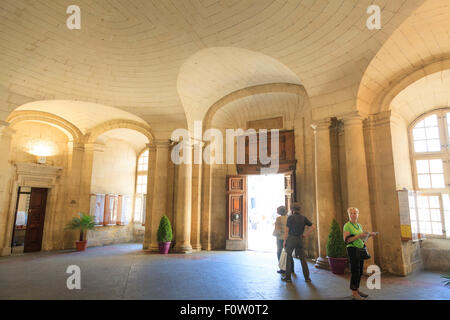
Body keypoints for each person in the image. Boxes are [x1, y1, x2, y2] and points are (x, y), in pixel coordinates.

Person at [343, 207, 378, 300]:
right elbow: (347, 240)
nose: (353, 215)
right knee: (355, 271)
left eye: (355, 213)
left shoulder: (359, 225)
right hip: (352, 249)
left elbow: (362, 238)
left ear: (358, 215)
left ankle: (357, 289)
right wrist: (358, 235)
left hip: (360, 249)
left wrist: (370, 235)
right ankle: (354, 293)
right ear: (349, 215)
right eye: (351, 213)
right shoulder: (347, 226)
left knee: (360, 272)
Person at [282, 202, 315, 283]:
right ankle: (307, 278)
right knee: (303, 259)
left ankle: (288, 278)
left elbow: (287, 230)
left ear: (292, 209)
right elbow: (313, 226)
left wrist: (285, 240)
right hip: (299, 239)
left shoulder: (290, 218)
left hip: (291, 239)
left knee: (288, 258)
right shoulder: (303, 218)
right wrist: (305, 235)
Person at [274, 206, 288, 274]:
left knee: (279, 252)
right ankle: (291, 268)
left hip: (280, 238)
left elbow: (277, 229)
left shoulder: (278, 218)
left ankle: (282, 268)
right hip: (288, 237)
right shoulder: (289, 218)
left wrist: (275, 234)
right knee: (288, 253)